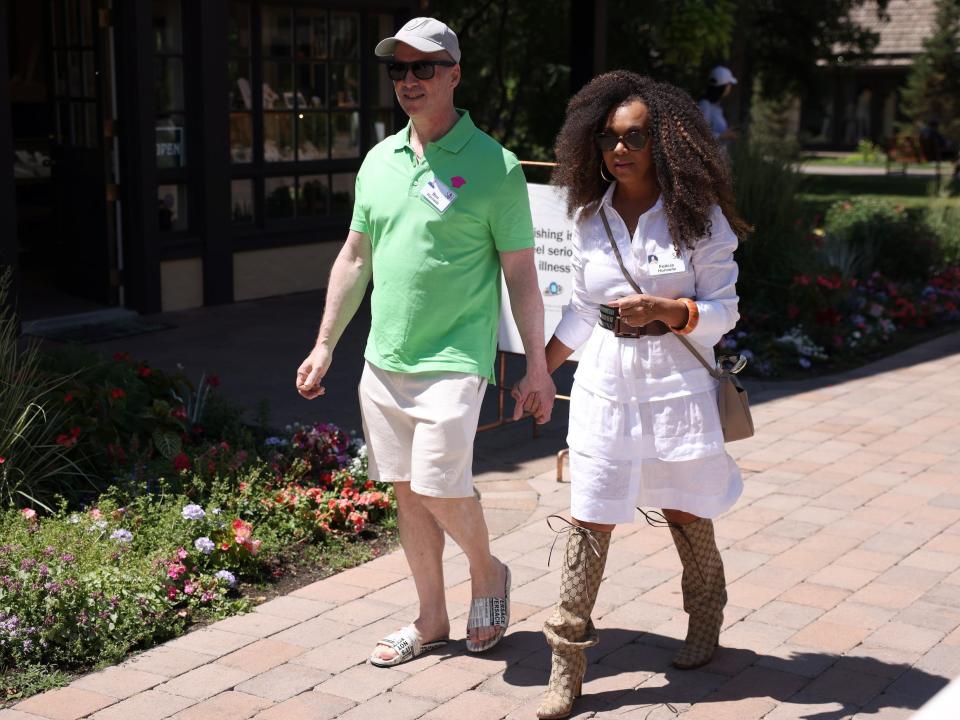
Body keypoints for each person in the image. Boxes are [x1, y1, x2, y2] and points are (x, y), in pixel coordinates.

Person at [295, 17, 555, 668]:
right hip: (384, 360)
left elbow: (521, 273)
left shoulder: (495, 167)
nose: (409, 81)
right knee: (408, 493)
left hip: (453, 360)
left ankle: (487, 572)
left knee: (440, 486)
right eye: (399, 70)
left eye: (424, 68)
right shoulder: (380, 161)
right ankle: (431, 618)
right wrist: (326, 342)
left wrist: (537, 367)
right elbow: (356, 258)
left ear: (454, 74)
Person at [532, 71, 750, 719]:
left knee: (684, 508)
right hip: (604, 386)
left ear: (668, 142)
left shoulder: (698, 219)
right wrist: (541, 372)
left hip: (677, 390)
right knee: (589, 515)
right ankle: (565, 664)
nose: (618, 150)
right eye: (607, 138)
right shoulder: (586, 218)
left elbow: (725, 312)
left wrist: (671, 309)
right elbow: (578, 310)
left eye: (634, 137)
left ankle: (705, 619)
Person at [698, 65, 738, 146]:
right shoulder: (705, 105)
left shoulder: (716, 107)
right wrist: (722, 136)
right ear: (724, 87)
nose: (730, 88)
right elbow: (699, 134)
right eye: (729, 84)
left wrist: (728, 135)